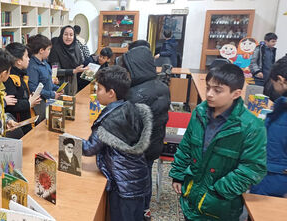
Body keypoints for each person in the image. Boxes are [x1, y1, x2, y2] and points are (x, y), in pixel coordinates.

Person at [169, 63, 267, 220]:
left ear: (236, 93)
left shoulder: (251, 127)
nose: (209, 94)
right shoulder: (199, 113)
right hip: (191, 197)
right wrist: (178, 175)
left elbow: (253, 168)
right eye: (208, 87)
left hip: (220, 207)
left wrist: (218, 190)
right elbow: (186, 146)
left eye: (217, 90)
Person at [82, 65, 153, 220]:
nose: (96, 92)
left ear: (111, 93)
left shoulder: (110, 120)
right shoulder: (129, 107)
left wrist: (67, 140)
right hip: (138, 177)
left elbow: (88, 148)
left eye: (99, 89)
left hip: (123, 184)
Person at [119, 41, 171, 220]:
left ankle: (137, 211)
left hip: (137, 149)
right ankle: (145, 209)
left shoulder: (134, 94)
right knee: (147, 173)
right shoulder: (161, 86)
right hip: (154, 143)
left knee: (135, 183)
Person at [250, 55, 287, 197]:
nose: (274, 88)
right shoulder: (281, 105)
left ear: (282, 80)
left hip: (277, 181)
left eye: (273, 83)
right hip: (269, 174)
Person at [4, 42, 41, 135]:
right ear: (19, 61)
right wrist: (28, 103)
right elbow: (11, 105)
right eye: (26, 56)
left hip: (25, 120)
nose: (29, 59)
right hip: (18, 125)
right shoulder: (9, 78)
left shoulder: (20, 74)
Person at [49, 25, 88, 95]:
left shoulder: (76, 47)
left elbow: (80, 63)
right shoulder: (55, 49)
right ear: (61, 35)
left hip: (73, 84)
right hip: (60, 85)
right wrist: (73, 71)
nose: (68, 37)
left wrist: (86, 69)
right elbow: (56, 71)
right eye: (66, 34)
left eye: (71, 35)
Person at [27, 34, 60, 101]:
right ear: (41, 50)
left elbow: (48, 82)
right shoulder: (32, 67)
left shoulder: (45, 62)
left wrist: (57, 88)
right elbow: (34, 88)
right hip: (41, 102)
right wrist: (52, 94)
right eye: (48, 49)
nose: (49, 52)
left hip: (49, 99)